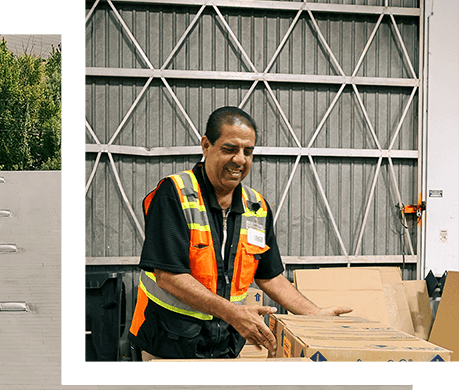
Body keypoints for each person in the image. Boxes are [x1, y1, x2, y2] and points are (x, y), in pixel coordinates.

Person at [128, 106, 352, 359]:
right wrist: (233, 313)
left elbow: (270, 276)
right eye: (229, 149)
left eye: (248, 151)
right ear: (206, 145)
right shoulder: (175, 194)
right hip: (167, 345)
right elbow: (168, 276)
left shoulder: (256, 206)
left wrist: (314, 313)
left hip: (224, 346)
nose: (240, 160)